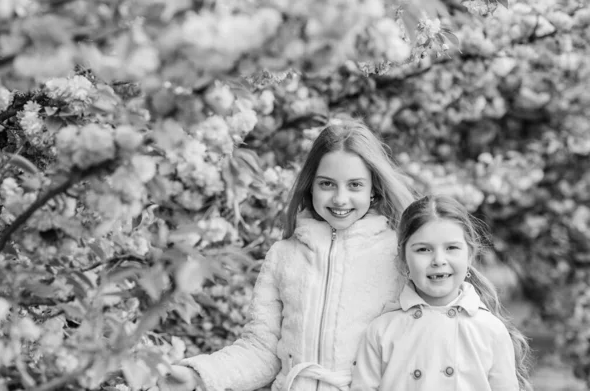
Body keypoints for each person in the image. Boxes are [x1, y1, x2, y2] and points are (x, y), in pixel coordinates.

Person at [157, 117, 415, 391]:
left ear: (373, 189)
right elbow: (260, 351)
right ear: (310, 184)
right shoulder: (283, 255)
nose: (340, 198)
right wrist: (199, 375)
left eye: (354, 185)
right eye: (327, 184)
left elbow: (420, 346)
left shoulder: (398, 256)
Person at [350, 195, 533, 391]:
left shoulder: (490, 330)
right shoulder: (382, 331)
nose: (438, 260)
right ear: (403, 258)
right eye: (423, 249)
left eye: (451, 248)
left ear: (469, 255)